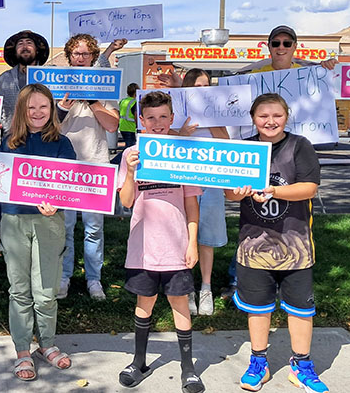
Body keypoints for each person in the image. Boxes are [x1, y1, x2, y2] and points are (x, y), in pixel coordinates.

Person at [225, 93, 327, 393]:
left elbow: (309, 188)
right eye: (263, 116)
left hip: (295, 248)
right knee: (258, 308)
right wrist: (239, 191)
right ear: (253, 118)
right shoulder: (244, 148)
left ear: (287, 116)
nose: (270, 121)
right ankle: (259, 362)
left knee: (300, 310)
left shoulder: (300, 146)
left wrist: (273, 191)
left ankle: (302, 365)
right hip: (254, 246)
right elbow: (229, 193)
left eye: (277, 116)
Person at [117, 91, 205, 393]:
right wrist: (129, 171)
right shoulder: (131, 155)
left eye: (163, 117)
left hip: (176, 246)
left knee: (180, 305)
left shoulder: (184, 155)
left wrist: (192, 242)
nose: (157, 123)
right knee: (144, 305)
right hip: (143, 248)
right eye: (150, 118)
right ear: (141, 121)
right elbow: (126, 201)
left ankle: (188, 368)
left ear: (171, 119)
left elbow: (192, 204)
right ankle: (138, 361)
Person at [0, 83, 76, 381]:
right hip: (13, 223)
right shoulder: (9, 143)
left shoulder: (62, 144)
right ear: (22, 112)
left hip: (49, 224)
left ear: (52, 109)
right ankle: (23, 349)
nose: (37, 112)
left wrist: (58, 203)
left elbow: (71, 187)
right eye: (31, 107)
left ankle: (47, 344)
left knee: (46, 291)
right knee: (19, 290)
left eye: (43, 106)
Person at [56, 33, 119, 301]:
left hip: (96, 163)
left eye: (85, 54)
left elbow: (112, 125)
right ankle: (64, 276)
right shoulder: (58, 84)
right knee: (65, 227)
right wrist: (61, 107)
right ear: (69, 56)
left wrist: (92, 100)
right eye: (76, 54)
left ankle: (94, 280)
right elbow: (50, 128)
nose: (80, 58)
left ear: (93, 56)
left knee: (94, 228)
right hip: (66, 165)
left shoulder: (104, 85)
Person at [175, 69, 230, 317]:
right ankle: (187, 288)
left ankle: (205, 287)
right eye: (197, 84)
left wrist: (212, 121)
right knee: (185, 233)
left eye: (206, 84)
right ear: (187, 87)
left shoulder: (216, 114)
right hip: (184, 181)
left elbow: (227, 141)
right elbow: (164, 141)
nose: (202, 88)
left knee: (207, 234)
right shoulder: (178, 111)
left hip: (212, 180)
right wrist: (181, 134)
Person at [0, 30, 50, 137]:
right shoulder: (4, 79)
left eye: (29, 43)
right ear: (15, 52)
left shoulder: (50, 77)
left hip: (44, 140)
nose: (25, 47)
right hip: (11, 141)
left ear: (37, 50)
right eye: (20, 44)